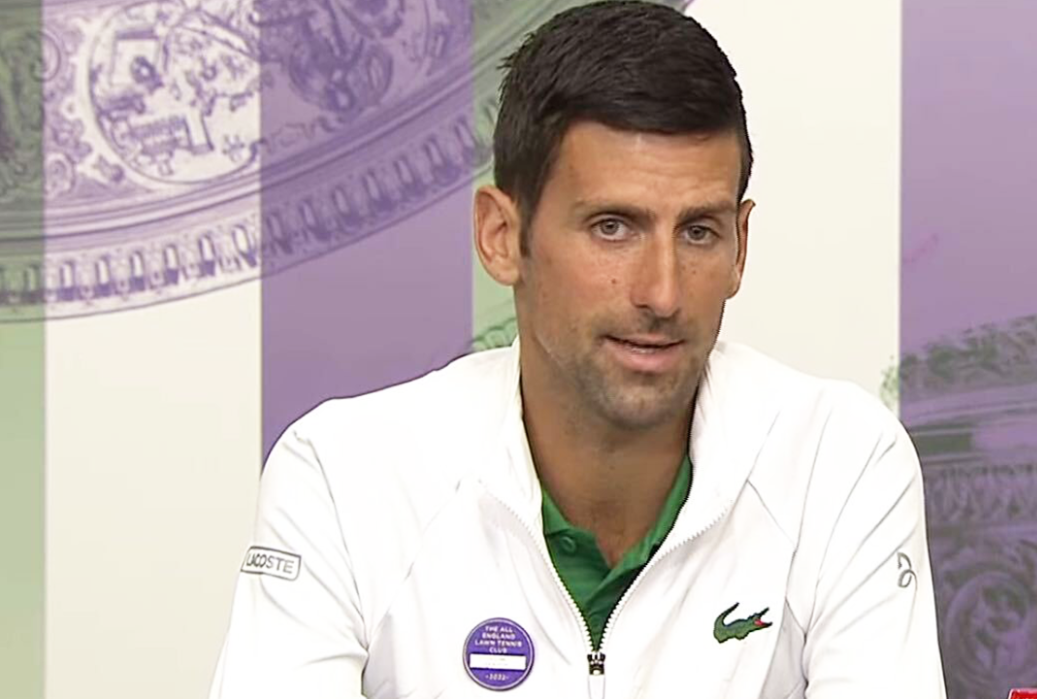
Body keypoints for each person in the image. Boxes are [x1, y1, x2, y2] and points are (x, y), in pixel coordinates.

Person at [208, 2, 947, 697]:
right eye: (612, 227)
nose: (662, 292)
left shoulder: (840, 462)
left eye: (698, 231)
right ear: (503, 237)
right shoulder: (344, 475)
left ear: (741, 244)